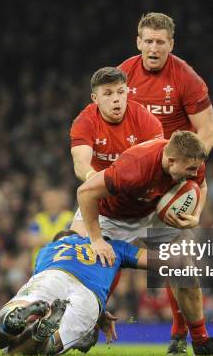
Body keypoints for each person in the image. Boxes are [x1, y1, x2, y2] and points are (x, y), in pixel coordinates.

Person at [77, 131, 213, 356]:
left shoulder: (192, 160)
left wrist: (198, 214)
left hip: (155, 213)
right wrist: (96, 239)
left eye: (196, 169)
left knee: (184, 266)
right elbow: (85, 192)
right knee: (95, 269)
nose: (194, 174)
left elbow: (200, 186)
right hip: (114, 217)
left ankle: (201, 341)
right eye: (190, 170)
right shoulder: (133, 168)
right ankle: (84, 327)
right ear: (170, 161)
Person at [119, 12, 213, 354]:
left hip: (173, 180)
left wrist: (187, 173)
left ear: (171, 45)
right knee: (106, 249)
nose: (154, 47)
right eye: (148, 41)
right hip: (135, 176)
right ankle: (91, 321)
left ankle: (180, 336)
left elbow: (207, 132)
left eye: (161, 42)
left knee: (178, 257)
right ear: (138, 42)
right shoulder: (124, 74)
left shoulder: (187, 78)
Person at [0, 230, 145, 356]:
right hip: (89, 295)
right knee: (47, 346)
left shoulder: (48, 250)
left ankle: (14, 316)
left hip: (53, 275)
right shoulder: (115, 246)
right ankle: (42, 335)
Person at [69, 66, 163, 235]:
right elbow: (80, 164)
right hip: (103, 210)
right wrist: (98, 181)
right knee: (70, 249)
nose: (116, 99)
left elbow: (157, 166)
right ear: (95, 98)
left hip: (145, 211)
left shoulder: (147, 121)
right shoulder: (85, 122)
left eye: (120, 92)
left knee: (182, 258)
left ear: (127, 91)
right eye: (108, 93)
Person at [27, 188, 74, 266]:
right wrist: (56, 241)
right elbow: (33, 241)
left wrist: (42, 240)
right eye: (47, 199)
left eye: (53, 199)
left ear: (60, 200)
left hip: (62, 264)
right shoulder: (38, 219)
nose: (50, 201)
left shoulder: (68, 217)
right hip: (40, 264)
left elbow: (70, 241)